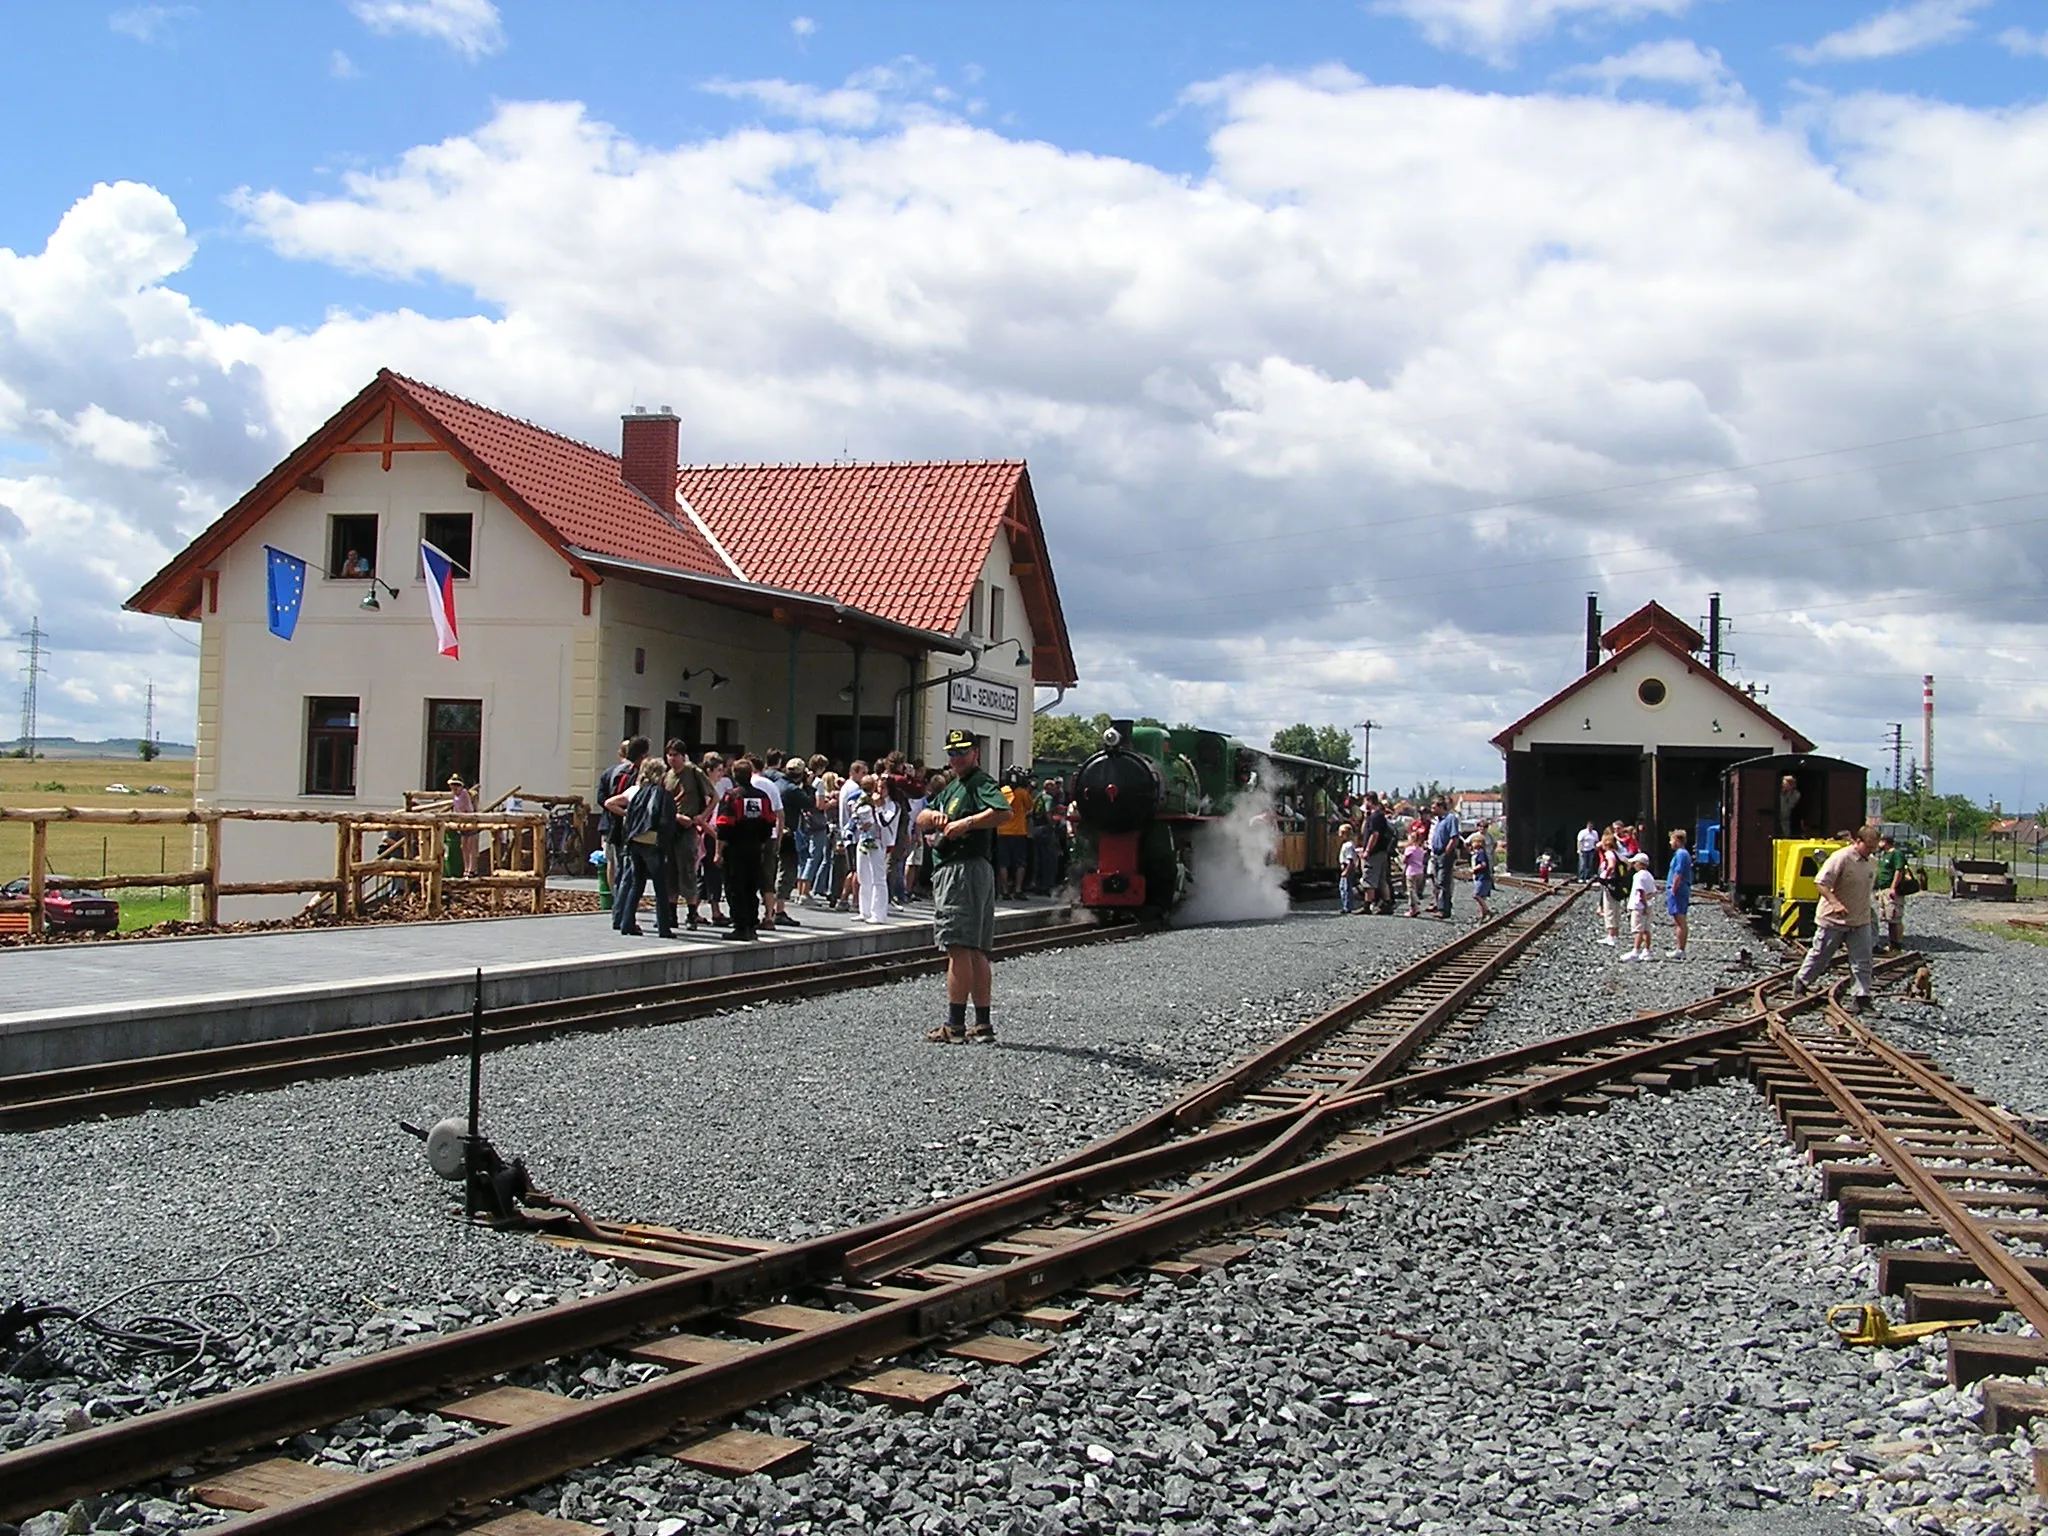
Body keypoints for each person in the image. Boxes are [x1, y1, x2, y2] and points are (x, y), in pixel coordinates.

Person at [916, 729, 1008, 1043]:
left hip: (962, 869)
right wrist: (931, 815)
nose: (956, 758)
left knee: (958, 946)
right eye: (952, 753)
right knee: (976, 950)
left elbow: (1002, 813)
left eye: (962, 752)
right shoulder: (953, 787)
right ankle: (981, 1023)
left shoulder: (980, 783)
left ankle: (954, 1024)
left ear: (976, 753)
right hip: (970, 869)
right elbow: (923, 816)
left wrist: (965, 823)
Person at [1795, 824, 1879, 1009]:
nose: (1872, 851)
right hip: (1833, 918)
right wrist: (1834, 903)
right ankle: (1801, 981)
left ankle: (1861, 997)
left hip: (1860, 919)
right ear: (1858, 841)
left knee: (1863, 959)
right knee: (1821, 954)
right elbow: (1821, 883)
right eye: (1869, 846)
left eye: (1875, 847)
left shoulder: (1872, 862)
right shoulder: (1841, 858)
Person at [604, 759, 678, 939]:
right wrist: (666, 845)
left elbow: (629, 817)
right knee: (660, 887)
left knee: (636, 883)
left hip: (635, 841)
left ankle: (626, 923)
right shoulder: (663, 794)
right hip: (653, 842)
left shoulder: (639, 792)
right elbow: (667, 822)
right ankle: (663, 927)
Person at [710, 757, 777, 941]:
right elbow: (770, 821)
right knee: (751, 887)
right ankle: (751, 925)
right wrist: (761, 841)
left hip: (735, 848)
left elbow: (723, 826)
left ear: (734, 775)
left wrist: (718, 852)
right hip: (756, 848)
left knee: (735, 887)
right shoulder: (762, 797)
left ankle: (740, 926)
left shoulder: (731, 796)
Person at [664, 740, 717, 930]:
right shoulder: (667, 775)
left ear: (683, 756)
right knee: (670, 872)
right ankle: (670, 913)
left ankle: (692, 913)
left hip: (688, 830)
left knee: (688, 871)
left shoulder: (693, 773)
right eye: (669, 755)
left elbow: (713, 796)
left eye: (675, 755)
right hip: (670, 828)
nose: (672, 759)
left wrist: (701, 817)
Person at [598, 737, 649, 931]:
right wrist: (628, 814)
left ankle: (617, 912)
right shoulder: (637, 775)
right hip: (629, 830)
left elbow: (602, 799)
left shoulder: (611, 772)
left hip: (612, 826)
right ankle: (624, 915)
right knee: (629, 875)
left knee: (618, 870)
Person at [850, 776, 898, 923]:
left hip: (879, 842)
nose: (879, 790)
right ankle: (864, 911)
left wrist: (877, 807)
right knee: (863, 876)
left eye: (883, 788)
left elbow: (885, 822)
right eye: (878, 787)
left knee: (878, 878)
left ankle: (879, 914)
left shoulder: (892, 805)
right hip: (864, 839)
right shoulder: (867, 800)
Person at [997, 768, 1035, 900]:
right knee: (1020, 862)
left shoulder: (1002, 792)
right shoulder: (1022, 792)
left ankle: (1005, 891)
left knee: (1003, 862)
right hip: (1018, 831)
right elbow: (1030, 808)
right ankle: (1018, 890)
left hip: (1002, 831)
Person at [1875, 834, 1913, 954]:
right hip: (1883, 889)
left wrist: (1893, 887)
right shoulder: (1884, 855)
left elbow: (1899, 870)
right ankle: (1891, 943)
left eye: (1880, 841)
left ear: (1885, 842)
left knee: (1894, 917)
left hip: (1891, 890)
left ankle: (1897, 944)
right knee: (1887, 917)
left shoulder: (1896, 854)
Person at [1427, 796, 1462, 919]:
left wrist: (1447, 851)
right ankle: (1440, 906)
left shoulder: (1450, 819)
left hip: (1444, 854)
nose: (1432, 809)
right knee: (1437, 882)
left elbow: (1454, 837)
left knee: (1443, 882)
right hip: (1436, 854)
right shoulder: (1439, 820)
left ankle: (1444, 909)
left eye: (1434, 807)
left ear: (1441, 807)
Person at [1361, 793, 1394, 915]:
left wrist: (1367, 850)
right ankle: (1387, 903)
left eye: (1365, 802)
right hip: (1382, 851)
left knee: (1369, 878)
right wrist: (1365, 817)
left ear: (1369, 801)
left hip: (1375, 852)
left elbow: (1374, 835)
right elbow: (1363, 831)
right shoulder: (1376, 816)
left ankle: (1367, 905)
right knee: (1381, 879)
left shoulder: (1376, 817)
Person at [1621, 850, 1656, 962]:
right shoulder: (1649, 875)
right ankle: (1647, 951)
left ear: (1640, 864)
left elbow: (1640, 892)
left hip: (1639, 906)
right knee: (1646, 929)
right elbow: (1653, 892)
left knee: (1638, 930)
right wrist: (1647, 902)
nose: (1634, 865)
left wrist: (1644, 905)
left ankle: (1635, 951)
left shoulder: (1638, 876)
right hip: (1649, 905)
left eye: (1635, 863)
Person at [1665, 828, 1695, 961]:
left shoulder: (1681, 854)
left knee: (1680, 920)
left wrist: (1674, 889)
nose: (1670, 842)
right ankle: (1679, 948)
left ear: (1677, 840)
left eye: (1671, 839)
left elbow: (1678, 873)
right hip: (1679, 889)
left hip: (1678, 889)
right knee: (1679, 920)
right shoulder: (1681, 854)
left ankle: (1680, 949)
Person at [447, 774, 480, 878]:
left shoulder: (464, 794)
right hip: (462, 822)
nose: (454, 787)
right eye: (453, 785)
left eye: (456, 785)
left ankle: (472, 869)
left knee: (471, 846)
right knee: (464, 846)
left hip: (469, 820)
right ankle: (466, 869)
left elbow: (467, 808)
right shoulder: (455, 796)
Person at [1595, 830, 1624, 948]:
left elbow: (1611, 865)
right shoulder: (1617, 853)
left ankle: (1611, 936)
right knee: (1614, 909)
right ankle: (1614, 935)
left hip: (1610, 884)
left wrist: (1604, 876)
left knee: (1610, 909)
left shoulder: (1609, 854)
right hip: (1616, 884)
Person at [1402, 826, 1429, 918]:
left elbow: (1405, 860)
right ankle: (1415, 905)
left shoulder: (1409, 849)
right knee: (1415, 890)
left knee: (1410, 891)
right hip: (1420, 872)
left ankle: (1413, 908)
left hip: (1411, 871)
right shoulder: (1421, 850)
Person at [1467, 830, 1494, 920]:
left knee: (1476, 895)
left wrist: (1473, 869)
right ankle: (1483, 915)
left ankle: (1487, 911)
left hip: (1483, 878)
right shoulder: (1479, 853)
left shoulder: (1481, 853)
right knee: (1482, 897)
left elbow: (1483, 864)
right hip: (1482, 877)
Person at [1336, 823, 1360, 915]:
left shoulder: (1348, 846)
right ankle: (1345, 905)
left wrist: (1346, 870)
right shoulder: (1347, 844)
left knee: (1346, 888)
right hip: (1345, 867)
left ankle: (1347, 906)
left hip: (1347, 868)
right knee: (1342, 887)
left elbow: (1350, 860)